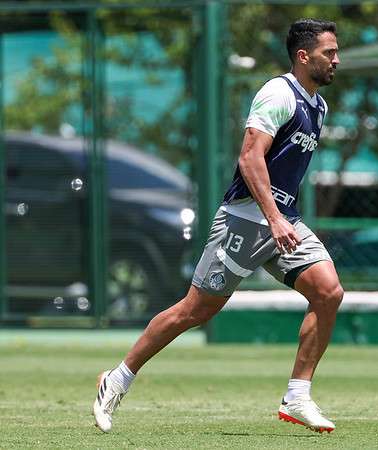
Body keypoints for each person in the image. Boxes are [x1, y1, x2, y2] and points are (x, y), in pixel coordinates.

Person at [93, 18, 343, 433]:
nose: (337, 60)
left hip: (284, 222)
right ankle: (116, 379)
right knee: (196, 310)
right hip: (246, 220)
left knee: (329, 292)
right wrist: (274, 218)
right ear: (303, 56)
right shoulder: (278, 93)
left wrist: (283, 219)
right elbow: (249, 159)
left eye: (336, 52)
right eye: (328, 53)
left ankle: (297, 396)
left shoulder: (319, 106)